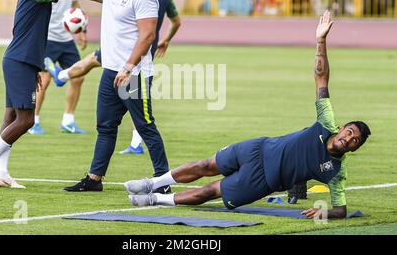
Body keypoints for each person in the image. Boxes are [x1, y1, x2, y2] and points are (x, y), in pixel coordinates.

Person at [124, 11, 371, 219]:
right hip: (257, 148)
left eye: (354, 141)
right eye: (349, 132)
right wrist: (320, 41)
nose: (348, 139)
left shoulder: (336, 171)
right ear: (341, 128)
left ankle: (154, 199)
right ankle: (152, 183)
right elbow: (321, 78)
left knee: (211, 191)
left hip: (261, 180)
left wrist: (324, 213)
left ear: (354, 148)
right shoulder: (326, 122)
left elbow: (341, 208)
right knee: (205, 165)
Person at [34, 0, 172, 193]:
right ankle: (94, 179)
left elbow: (148, 35)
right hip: (110, 72)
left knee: (145, 127)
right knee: (105, 127)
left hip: (134, 75)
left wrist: (129, 67)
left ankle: (163, 182)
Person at [0, 0, 106, 188]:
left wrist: (34, 66)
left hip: (20, 60)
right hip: (19, 60)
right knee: (27, 120)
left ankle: (1, 171)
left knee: (11, 116)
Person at [28, 0, 88, 135]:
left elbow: (75, 2)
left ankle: (68, 121)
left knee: (79, 76)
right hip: (47, 38)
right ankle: (33, 122)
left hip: (65, 38)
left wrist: (80, 30)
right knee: (44, 81)